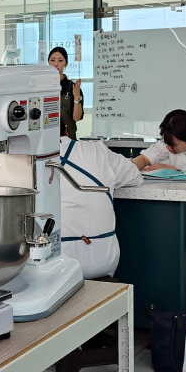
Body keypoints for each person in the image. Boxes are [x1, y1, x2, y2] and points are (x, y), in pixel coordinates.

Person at [58, 118, 144, 279]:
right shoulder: (96, 150)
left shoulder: (22, 159)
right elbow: (134, 175)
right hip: (104, 262)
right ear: (66, 130)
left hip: (57, 266)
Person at [49, 47, 84, 140]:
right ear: (48, 63)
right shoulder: (42, 86)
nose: (56, 64)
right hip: (47, 139)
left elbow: (76, 118)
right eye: (52, 60)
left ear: (66, 63)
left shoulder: (72, 87)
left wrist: (77, 98)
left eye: (60, 60)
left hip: (68, 141)